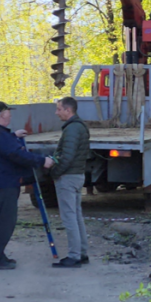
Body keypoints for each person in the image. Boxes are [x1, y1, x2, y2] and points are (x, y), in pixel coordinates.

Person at [0, 101, 54, 270]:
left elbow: (3, 146)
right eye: (8, 114)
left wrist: (13, 136)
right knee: (5, 222)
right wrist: (42, 161)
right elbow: (16, 154)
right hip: (5, 183)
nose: (10, 117)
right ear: (3, 115)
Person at [49, 96, 91, 268]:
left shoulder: (72, 129)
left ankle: (74, 256)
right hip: (77, 175)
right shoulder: (78, 127)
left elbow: (66, 157)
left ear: (68, 110)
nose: (56, 112)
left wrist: (54, 172)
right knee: (76, 215)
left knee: (69, 217)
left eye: (59, 109)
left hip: (68, 177)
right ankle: (81, 252)